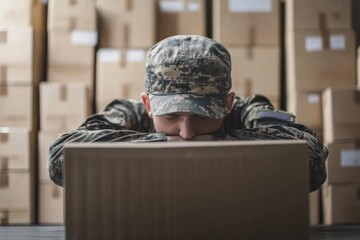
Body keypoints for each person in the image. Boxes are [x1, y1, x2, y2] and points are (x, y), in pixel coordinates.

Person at [49, 35, 328, 192]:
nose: (187, 133)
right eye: (171, 117)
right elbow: (62, 157)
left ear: (228, 104)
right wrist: (160, 146)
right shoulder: (129, 113)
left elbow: (311, 160)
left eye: (202, 116)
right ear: (148, 104)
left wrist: (219, 146)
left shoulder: (247, 110)